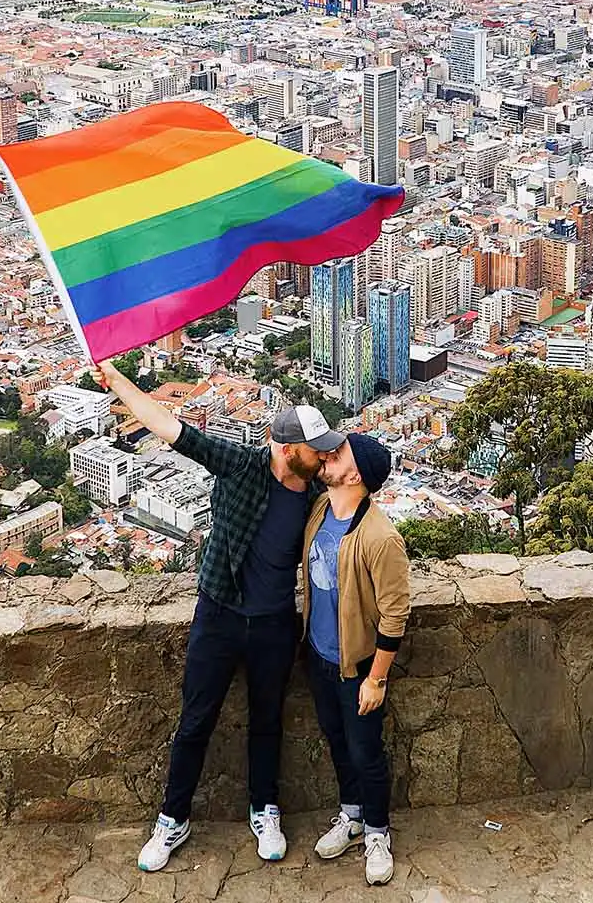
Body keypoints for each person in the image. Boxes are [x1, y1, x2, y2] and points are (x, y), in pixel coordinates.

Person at [91, 359, 345, 873]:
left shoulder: (318, 495)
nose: (322, 458)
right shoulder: (240, 466)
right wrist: (119, 382)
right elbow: (170, 430)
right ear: (284, 446)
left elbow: (364, 473)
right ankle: (173, 817)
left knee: (267, 720)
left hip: (275, 622)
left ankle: (264, 808)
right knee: (195, 720)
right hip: (220, 613)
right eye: (313, 450)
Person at [301, 433, 410, 887]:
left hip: (359, 664)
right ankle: (351, 815)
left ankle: (378, 832)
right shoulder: (321, 510)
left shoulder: (380, 536)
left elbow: (395, 612)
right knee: (337, 740)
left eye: (338, 452)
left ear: (356, 473)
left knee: (366, 751)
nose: (327, 456)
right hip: (319, 652)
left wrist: (377, 679)